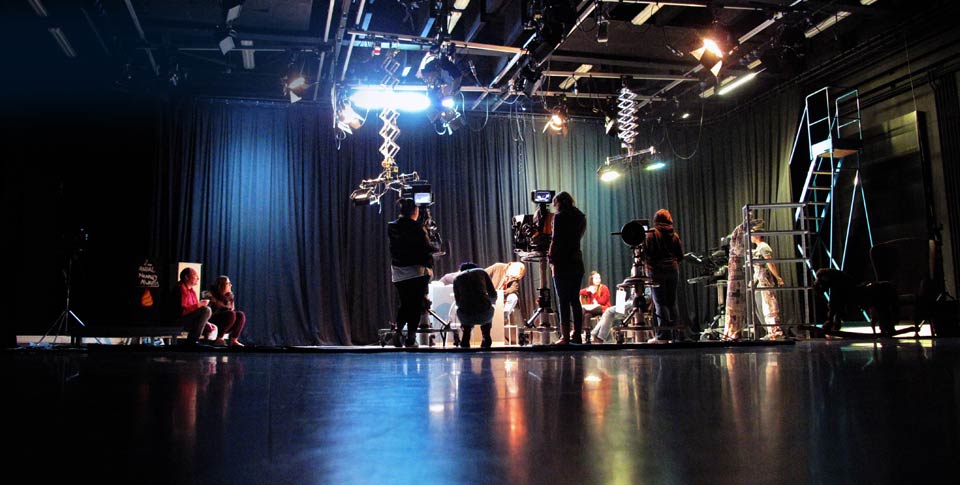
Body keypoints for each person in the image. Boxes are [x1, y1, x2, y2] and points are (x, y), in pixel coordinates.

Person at [388, 198, 439, 348]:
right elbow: (426, 247)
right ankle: (411, 337)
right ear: (415, 211)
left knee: (404, 304)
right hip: (416, 272)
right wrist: (436, 248)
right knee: (415, 305)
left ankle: (398, 332)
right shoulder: (417, 227)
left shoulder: (392, 226)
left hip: (398, 272)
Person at [547, 191, 587, 344]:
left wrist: (551, 259)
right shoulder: (580, 217)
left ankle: (564, 336)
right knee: (575, 300)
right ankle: (577, 334)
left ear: (559, 203)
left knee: (563, 300)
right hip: (576, 261)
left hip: (561, 262)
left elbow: (555, 240)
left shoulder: (559, 217)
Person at [644, 209, 684, 343]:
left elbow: (647, 254)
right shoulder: (675, 236)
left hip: (656, 271)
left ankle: (663, 336)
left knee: (660, 303)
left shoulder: (651, 234)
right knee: (672, 303)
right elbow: (680, 256)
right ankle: (676, 335)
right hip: (673, 270)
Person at [453, 267, 498, 348]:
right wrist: (489, 303)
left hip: (466, 316)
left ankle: (466, 335)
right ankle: (486, 334)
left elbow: (458, 302)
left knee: (462, 309)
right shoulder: (482, 272)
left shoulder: (456, 278)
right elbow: (493, 295)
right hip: (485, 314)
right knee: (488, 308)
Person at [750, 234, 785, 339]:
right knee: (765, 306)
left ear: (757, 235)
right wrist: (753, 281)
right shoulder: (758, 248)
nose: (751, 237)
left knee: (770, 305)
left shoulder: (764, 246)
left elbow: (770, 264)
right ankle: (771, 331)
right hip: (760, 279)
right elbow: (757, 268)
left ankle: (775, 331)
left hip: (766, 280)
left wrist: (778, 277)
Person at [173, 267, 216, 344]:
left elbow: (195, 310)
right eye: (195, 276)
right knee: (206, 310)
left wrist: (206, 322)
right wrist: (199, 305)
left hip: (188, 320)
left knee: (212, 326)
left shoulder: (192, 291)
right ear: (186, 277)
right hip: (178, 320)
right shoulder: (180, 289)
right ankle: (192, 342)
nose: (198, 278)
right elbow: (183, 311)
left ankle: (207, 343)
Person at [203, 275, 247, 347]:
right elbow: (207, 310)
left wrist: (226, 302)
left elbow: (231, 309)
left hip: (226, 322)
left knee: (240, 315)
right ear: (222, 285)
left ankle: (234, 340)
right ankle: (219, 338)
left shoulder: (229, 296)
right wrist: (217, 301)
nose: (230, 285)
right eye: (228, 283)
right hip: (212, 321)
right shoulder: (210, 294)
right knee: (231, 314)